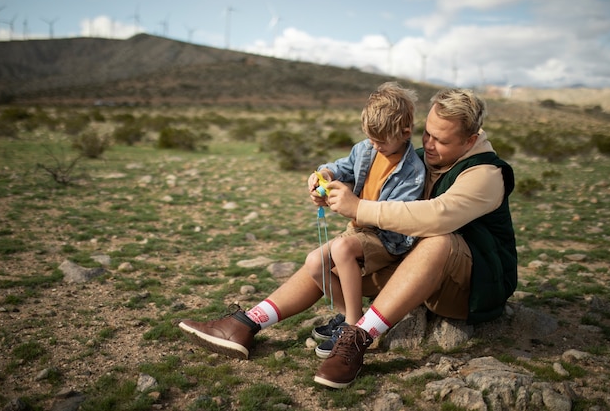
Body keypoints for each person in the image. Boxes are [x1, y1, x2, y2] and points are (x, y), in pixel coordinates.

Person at [179, 87, 517, 390]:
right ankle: (248, 323)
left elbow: (436, 215)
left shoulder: (485, 174)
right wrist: (328, 183)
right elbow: (368, 176)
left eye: (441, 140)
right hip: (417, 270)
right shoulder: (422, 156)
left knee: (438, 238)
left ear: (470, 140)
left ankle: (357, 338)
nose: (428, 144)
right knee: (330, 257)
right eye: (427, 134)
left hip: (472, 286)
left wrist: (358, 207)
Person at [305, 82, 425, 358]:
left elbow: (395, 217)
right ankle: (352, 314)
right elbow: (341, 167)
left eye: (381, 140)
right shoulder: (366, 150)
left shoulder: (413, 172)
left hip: (387, 238)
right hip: (359, 230)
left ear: (405, 132)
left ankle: (351, 327)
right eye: (371, 138)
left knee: (342, 248)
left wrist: (355, 206)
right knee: (314, 263)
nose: (375, 145)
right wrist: (324, 174)